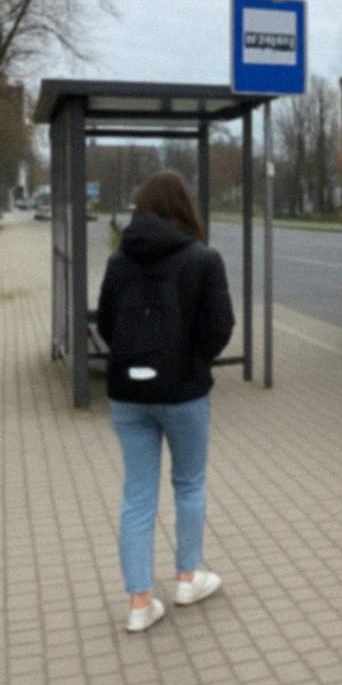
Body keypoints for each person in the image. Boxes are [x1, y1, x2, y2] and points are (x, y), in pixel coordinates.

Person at [96, 170, 235, 633]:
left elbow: (109, 324)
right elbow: (221, 325)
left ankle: (139, 603)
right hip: (184, 392)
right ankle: (187, 577)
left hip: (129, 394)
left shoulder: (120, 261)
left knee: (137, 494)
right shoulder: (203, 259)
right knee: (189, 484)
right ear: (185, 208)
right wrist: (193, 360)